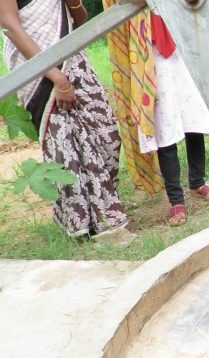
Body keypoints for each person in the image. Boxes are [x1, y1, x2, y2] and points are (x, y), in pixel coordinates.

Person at [1, 0, 134, 241]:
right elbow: (11, 26)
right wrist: (57, 77)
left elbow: (79, 19)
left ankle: (101, 205)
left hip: (74, 60)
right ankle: (91, 222)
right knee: (66, 148)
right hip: (39, 73)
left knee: (106, 135)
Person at [101, 5, 209, 226]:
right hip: (148, 52)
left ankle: (197, 181)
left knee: (193, 120)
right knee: (164, 127)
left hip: (182, 46)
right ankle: (176, 200)